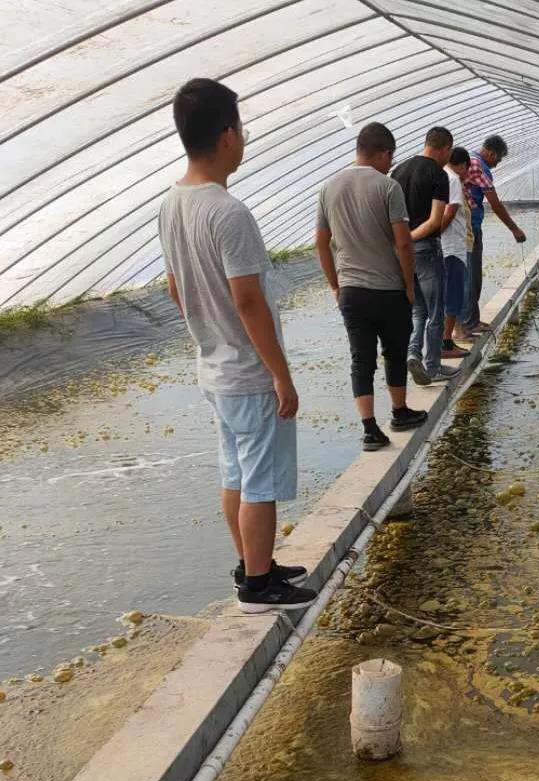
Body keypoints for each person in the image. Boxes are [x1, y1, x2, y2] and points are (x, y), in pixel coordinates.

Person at [159, 78, 316, 614]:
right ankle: (259, 585)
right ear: (227, 134)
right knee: (261, 481)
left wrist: (208, 331)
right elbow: (248, 301)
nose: (244, 138)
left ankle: (253, 562)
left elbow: (176, 287)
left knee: (236, 472)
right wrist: (280, 374)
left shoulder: (171, 203)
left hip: (214, 367)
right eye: (241, 127)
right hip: (247, 371)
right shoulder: (228, 213)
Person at [314, 121, 428, 452]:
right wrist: (409, 285)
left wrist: (335, 286)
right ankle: (399, 411)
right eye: (389, 158)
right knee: (394, 351)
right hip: (388, 287)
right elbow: (404, 244)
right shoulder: (388, 187)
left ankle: (369, 429)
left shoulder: (328, 187)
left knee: (360, 358)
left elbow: (321, 243)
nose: (390, 164)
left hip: (351, 289)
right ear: (384, 153)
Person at [391, 127, 460, 383]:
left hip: (402, 254)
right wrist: (410, 238)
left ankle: (412, 354)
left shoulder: (397, 172)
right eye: (448, 153)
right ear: (446, 149)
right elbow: (434, 221)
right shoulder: (438, 175)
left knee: (417, 309)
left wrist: (401, 242)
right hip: (426, 250)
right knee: (435, 312)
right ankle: (433, 366)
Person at [462, 134, 527, 335]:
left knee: (470, 276)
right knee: (471, 277)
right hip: (468, 227)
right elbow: (495, 204)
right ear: (491, 152)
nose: (497, 164)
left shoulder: (471, 161)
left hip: (466, 226)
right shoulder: (478, 166)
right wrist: (515, 229)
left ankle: (471, 320)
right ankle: (467, 323)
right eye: (497, 159)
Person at [441, 146, 473, 356]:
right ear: (461, 164)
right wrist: (434, 233)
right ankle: (446, 343)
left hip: (446, 246)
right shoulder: (451, 179)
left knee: (442, 297)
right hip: (451, 247)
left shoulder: (441, 176)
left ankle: (442, 342)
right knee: (453, 295)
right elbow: (450, 212)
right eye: (466, 168)